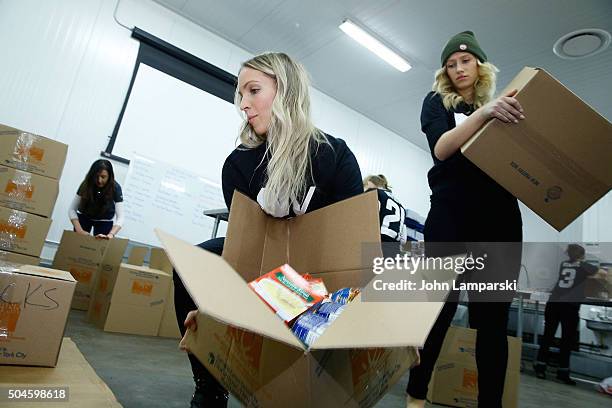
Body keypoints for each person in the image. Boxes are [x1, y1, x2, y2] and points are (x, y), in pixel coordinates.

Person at [174, 52, 364, 408]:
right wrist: (211, 304)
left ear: (286, 90)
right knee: (198, 257)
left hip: (321, 282)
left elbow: (349, 245)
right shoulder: (239, 164)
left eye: (253, 91)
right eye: (240, 94)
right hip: (265, 274)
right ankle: (211, 384)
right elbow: (243, 247)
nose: (243, 104)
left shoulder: (333, 155)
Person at [405, 31, 525, 408]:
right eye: (451, 64)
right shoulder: (436, 103)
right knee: (439, 310)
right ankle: (416, 395)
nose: (458, 68)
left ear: (479, 64)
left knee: (491, 322)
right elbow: (442, 149)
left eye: (466, 61)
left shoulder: (503, 109)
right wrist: (486, 113)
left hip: (500, 221)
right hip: (452, 217)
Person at [534, 244, 608, 385]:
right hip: (569, 306)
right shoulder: (584, 266)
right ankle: (562, 372)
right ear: (582, 255)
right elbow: (603, 274)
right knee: (567, 340)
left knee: (548, 336)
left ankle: (540, 367)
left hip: (554, 303)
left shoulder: (564, 264)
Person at [69, 159, 123, 239]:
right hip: (85, 216)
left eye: (103, 177)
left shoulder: (115, 188)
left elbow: (121, 217)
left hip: (104, 220)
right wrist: (79, 231)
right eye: (96, 176)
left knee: (100, 246)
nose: (99, 180)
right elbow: (72, 210)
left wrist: (110, 235)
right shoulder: (86, 184)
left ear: (109, 176)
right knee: (77, 243)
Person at [363, 174, 407, 245]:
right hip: (393, 250)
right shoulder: (401, 207)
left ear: (368, 183)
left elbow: (365, 222)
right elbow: (403, 240)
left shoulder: (374, 194)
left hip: (376, 245)